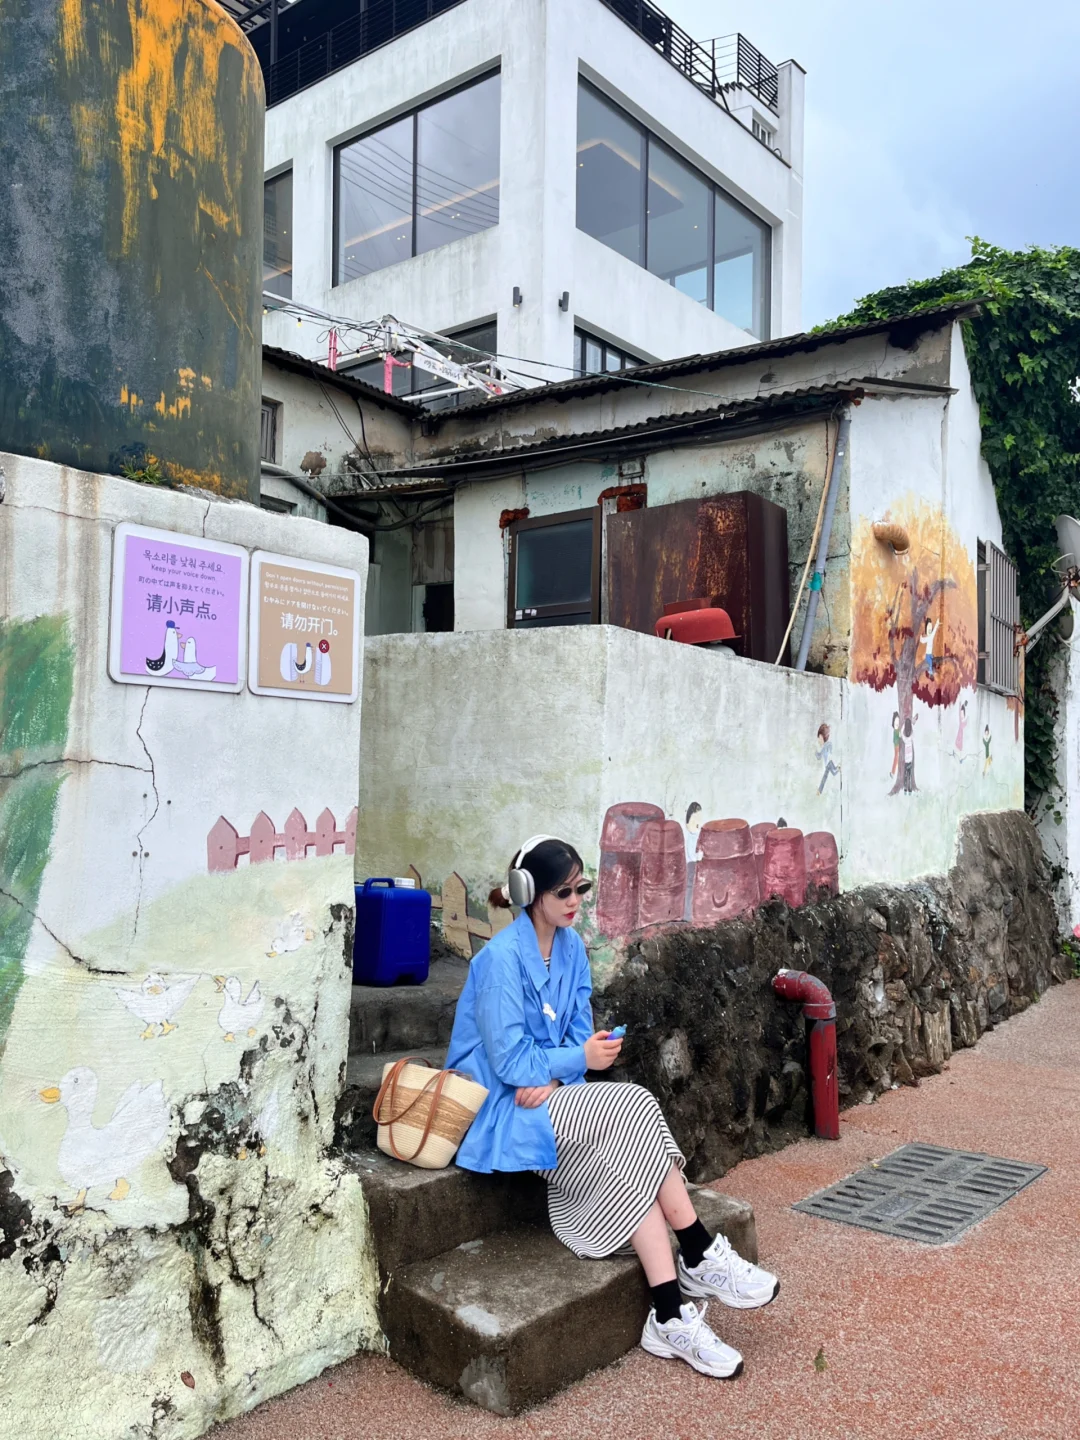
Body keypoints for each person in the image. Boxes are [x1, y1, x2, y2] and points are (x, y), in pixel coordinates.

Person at [446, 835, 780, 1381]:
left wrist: (557, 1069)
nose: (577, 898)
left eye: (583, 886)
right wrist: (565, 1062)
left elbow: (576, 1044)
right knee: (633, 1101)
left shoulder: (572, 948)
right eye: (564, 890)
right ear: (529, 893)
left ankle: (670, 1315)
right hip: (501, 1109)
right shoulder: (498, 962)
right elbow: (508, 1062)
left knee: (632, 1154)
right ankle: (696, 1252)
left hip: (553, 1095)